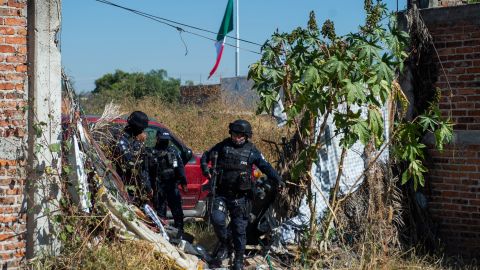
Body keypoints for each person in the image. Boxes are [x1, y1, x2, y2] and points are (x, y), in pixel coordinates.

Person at [201, 119, 284, 270]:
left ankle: (238, 258)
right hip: (221, 194)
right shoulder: (222, 146)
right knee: (217, 220)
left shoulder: (252, 151)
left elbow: (266, 167)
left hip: (241, 198)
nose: (236, 137)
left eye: (240, 135)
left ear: (246, 136)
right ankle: (226, 244)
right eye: (234, 134)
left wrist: (278, 180)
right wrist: (206, 170)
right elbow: (205, 157)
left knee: (239, 230)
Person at [147, 131, 188, 238]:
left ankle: (180, 233)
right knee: (161, 212)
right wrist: (149, 187)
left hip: (172, 185)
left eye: (166, 140)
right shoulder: (151, 153)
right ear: (157, 139)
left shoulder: (173, 152)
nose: (165, 142)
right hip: (158, 187)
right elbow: (147, 171)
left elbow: (180, 168)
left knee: (177, 211)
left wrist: (183, 182)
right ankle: (163, 234)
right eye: (163, 139)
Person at [113, 111, 152, 204]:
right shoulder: (121, 140)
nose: (143, 131)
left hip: (136, 189)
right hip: (125, 189)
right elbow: (132, 164)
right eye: (141, 129)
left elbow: (144, 167)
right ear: (137, 128)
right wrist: (140, 144)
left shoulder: (133, 139)